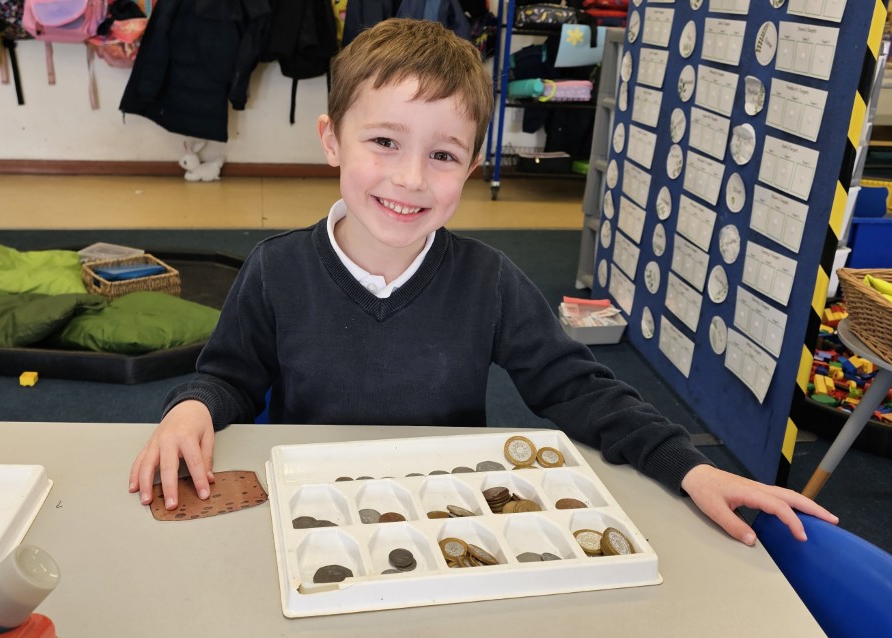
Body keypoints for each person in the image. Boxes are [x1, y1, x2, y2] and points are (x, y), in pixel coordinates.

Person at [129, 18, 836, 545]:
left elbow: (577, 388)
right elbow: (229, 377)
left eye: (442, 155)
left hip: (448, 520)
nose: (411, 178)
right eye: (384, 142)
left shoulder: (487, 281)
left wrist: (689, 467)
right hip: (316, 514)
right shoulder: (276, 268)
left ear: (470, 167)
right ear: (332, 140)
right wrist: (192, 407)